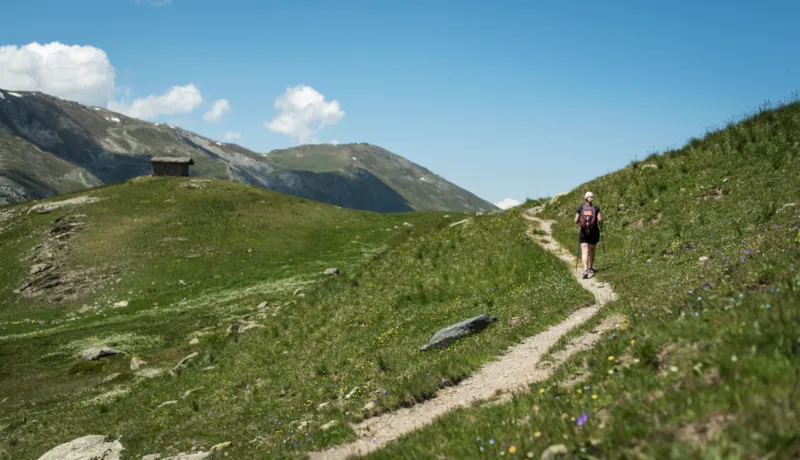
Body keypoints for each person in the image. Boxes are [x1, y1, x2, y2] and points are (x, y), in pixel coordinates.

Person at [575, 191, 602, 279]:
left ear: (585, 198)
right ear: (592, 199)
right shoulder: (596, 208)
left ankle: (585, 270)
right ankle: (590, 267)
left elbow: (575, 221)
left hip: (583, 233)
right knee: (592, 250)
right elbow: (600, 220)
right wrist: (601, 225)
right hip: (594, 232)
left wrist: (580, 222)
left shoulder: (580, 208)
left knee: (584, 251)